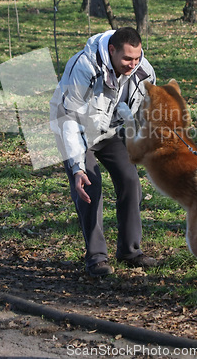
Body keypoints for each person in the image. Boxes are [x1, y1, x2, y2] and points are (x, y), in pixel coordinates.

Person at [50, 27, 157, 277]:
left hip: (109, 130)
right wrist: (77, 167)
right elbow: (69, 118)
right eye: (127, 59)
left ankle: (130, 251)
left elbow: (145, 111)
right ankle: (96, 258)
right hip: (73, 128)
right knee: (90, 185)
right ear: (112, 50)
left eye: (137, 57)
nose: (133, 64)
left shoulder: (144, 71)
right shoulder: (84, 66)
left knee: (130, 181)